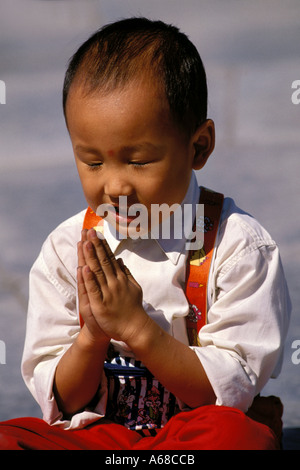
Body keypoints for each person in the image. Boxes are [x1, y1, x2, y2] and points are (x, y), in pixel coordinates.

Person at [0, 17, 291, 450]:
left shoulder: (237, 247)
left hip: (191, 438)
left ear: (198, 147)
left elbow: (226, 393)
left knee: (234, 435)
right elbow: (62, 399)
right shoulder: (66, 251)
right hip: (103, 437)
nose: (115, 187)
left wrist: (138, 329)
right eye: (93, 163)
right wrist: (93, 335)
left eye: (138, 161)